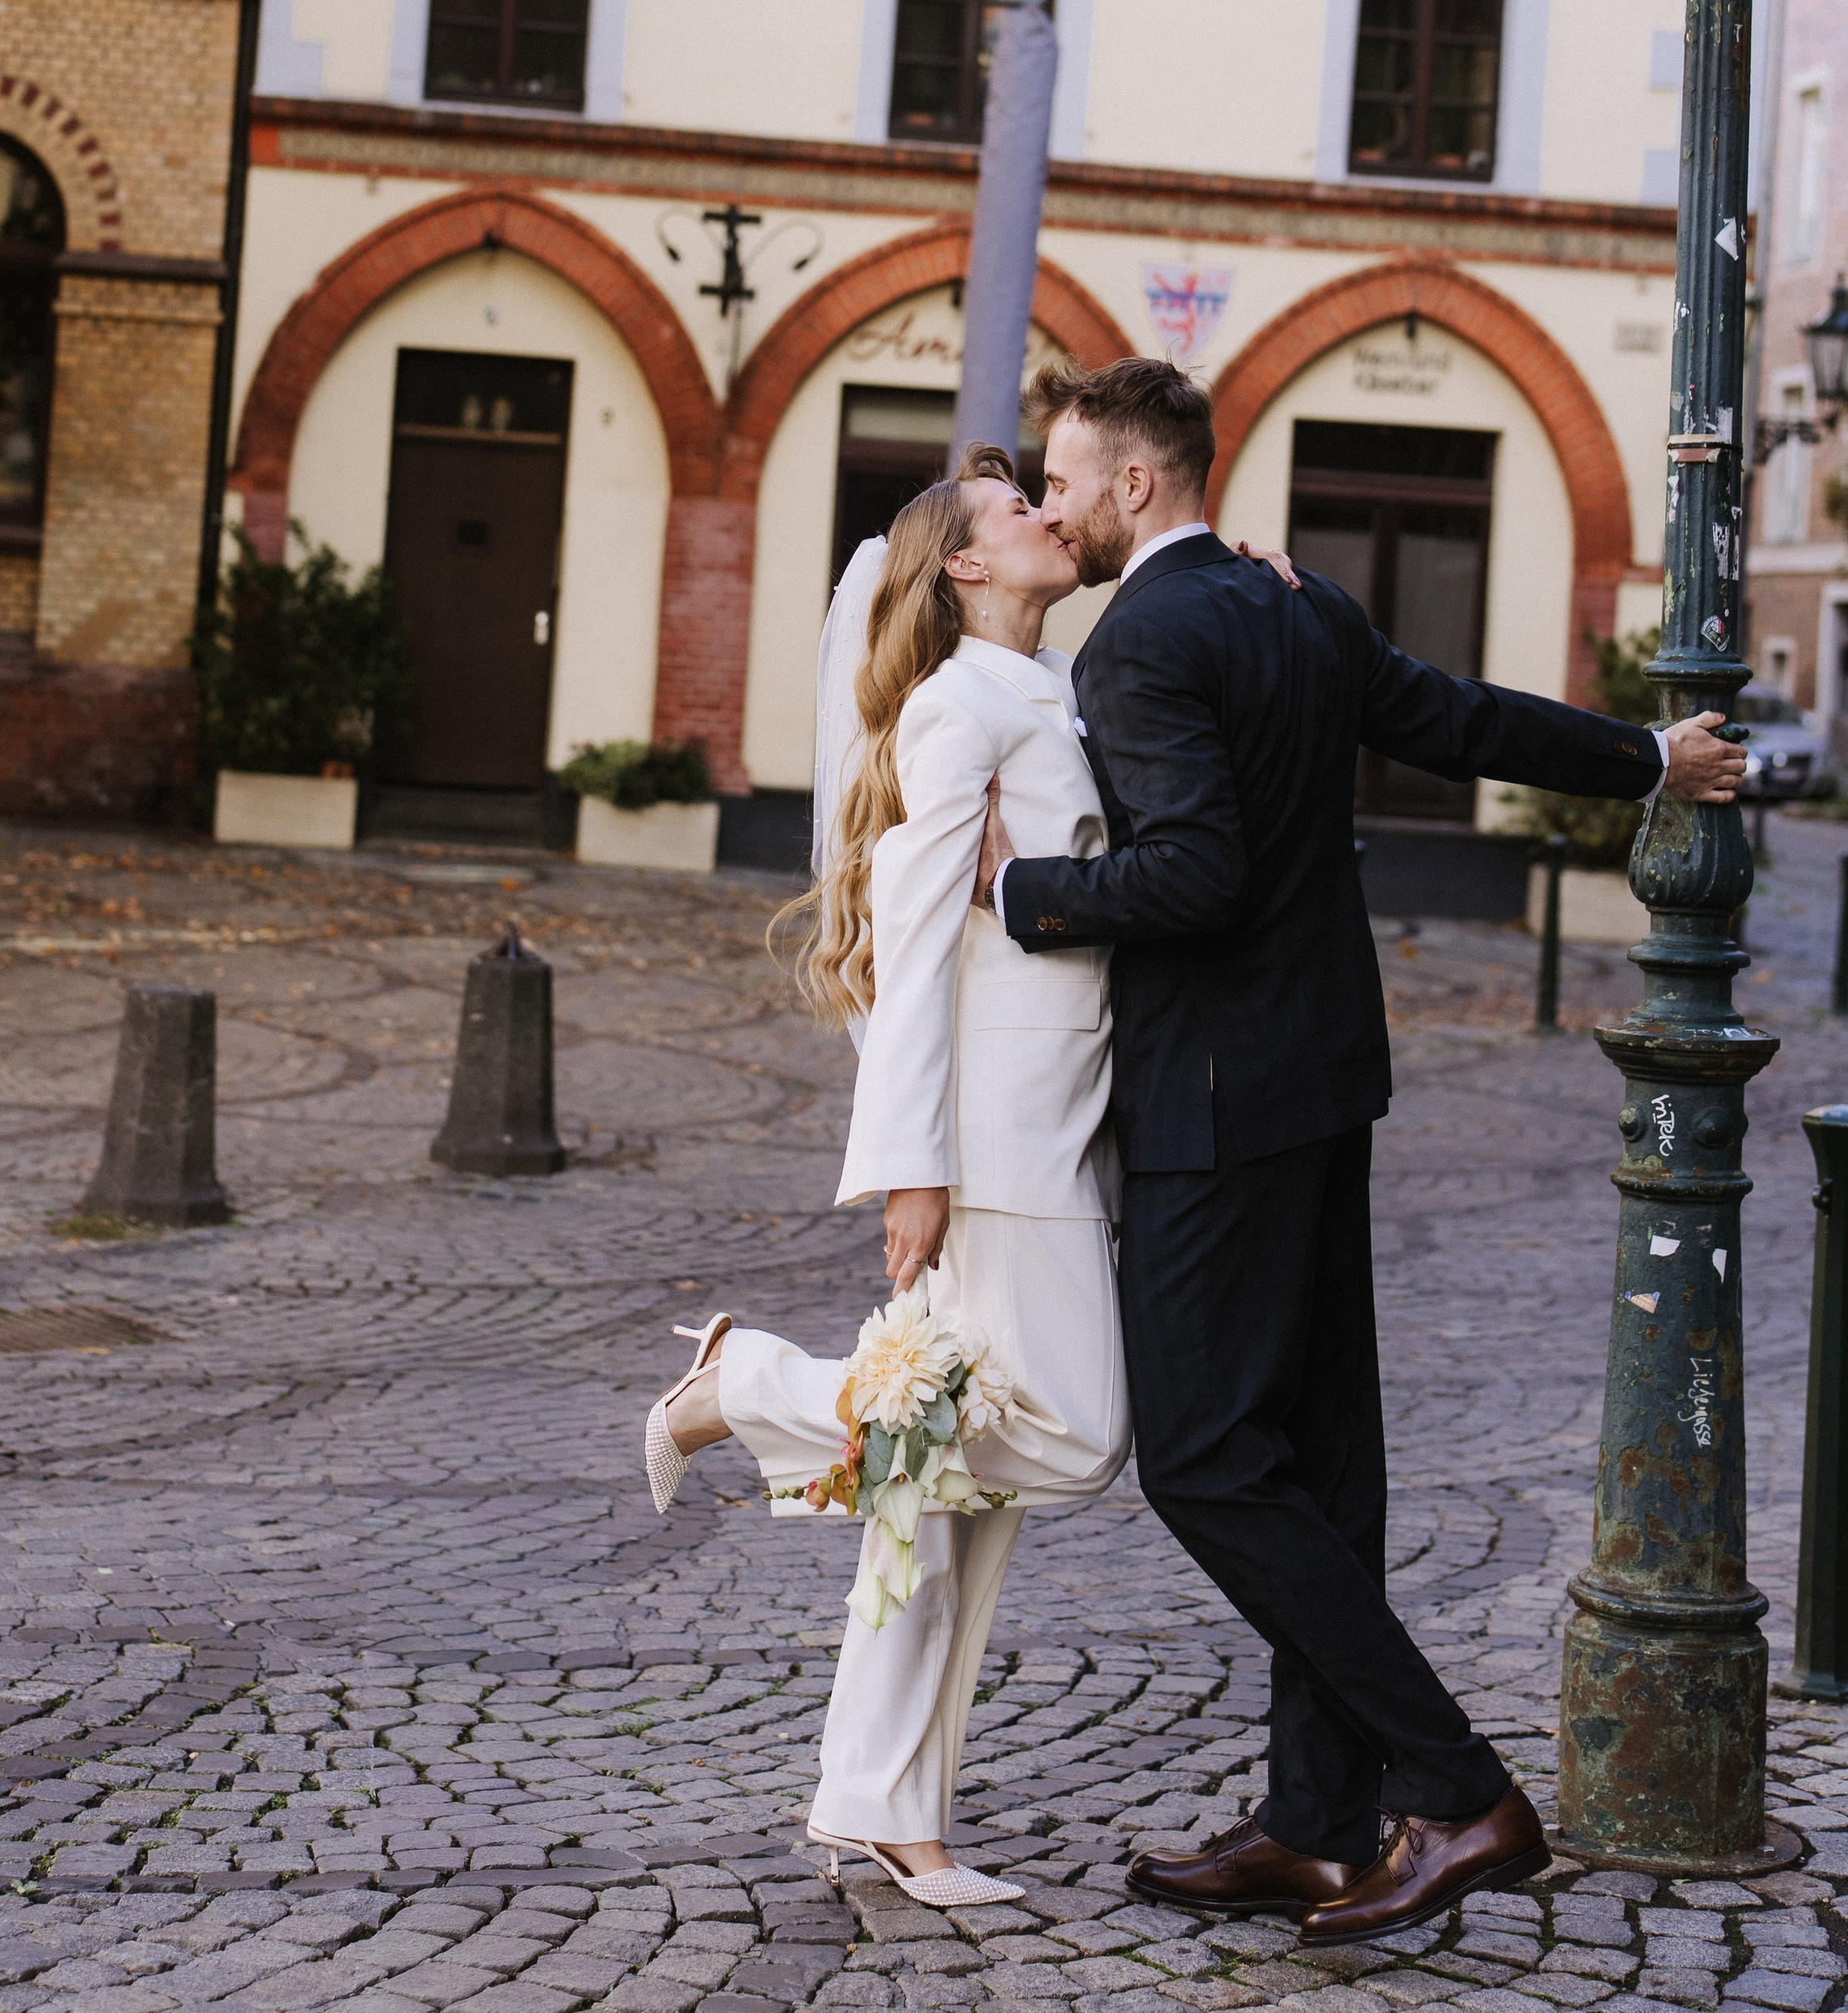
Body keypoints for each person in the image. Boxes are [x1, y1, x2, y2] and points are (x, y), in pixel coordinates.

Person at [976, 356, 1747, 1948]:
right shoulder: (1297, 602)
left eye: (1062, 477)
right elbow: (1450, 720)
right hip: (1326, 1081)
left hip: (1211, 1100)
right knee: (1320, 1466)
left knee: (1201, 1459)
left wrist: (1024, 893)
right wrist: (1647, 761)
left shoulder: (1141, 637)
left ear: (1135, 483)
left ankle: (1452, 1787)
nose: (1049, 505)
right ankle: (1318, 1824)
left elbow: (1190, 877)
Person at [641, 445, 1134, 1911]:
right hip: (994, 1131)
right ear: (965, 568)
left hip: (1064, 1107)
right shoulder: (953, 703)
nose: (1049, 513)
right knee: (1076, 1436)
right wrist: (911, 1165)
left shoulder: (1051, 687)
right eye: (1013, 511)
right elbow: (915, 952)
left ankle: (884, 1807)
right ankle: (749, 1387)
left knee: (939, 1477)